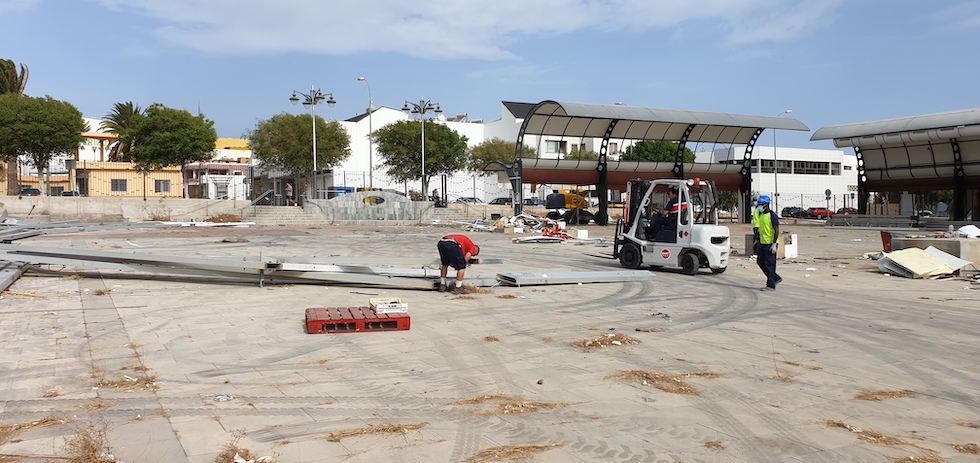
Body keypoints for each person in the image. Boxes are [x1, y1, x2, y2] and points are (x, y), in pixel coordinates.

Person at [756, 195, 782, 291]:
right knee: (760, 262)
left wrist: (774, 244)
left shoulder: (772, 216)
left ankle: (771, 285)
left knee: (769, 264)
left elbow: (776, 230)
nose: (760, 206)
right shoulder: (761, 215)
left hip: (770, 243)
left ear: (766, 205)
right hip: (762, 242)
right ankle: (775, 277)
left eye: (761, 205)